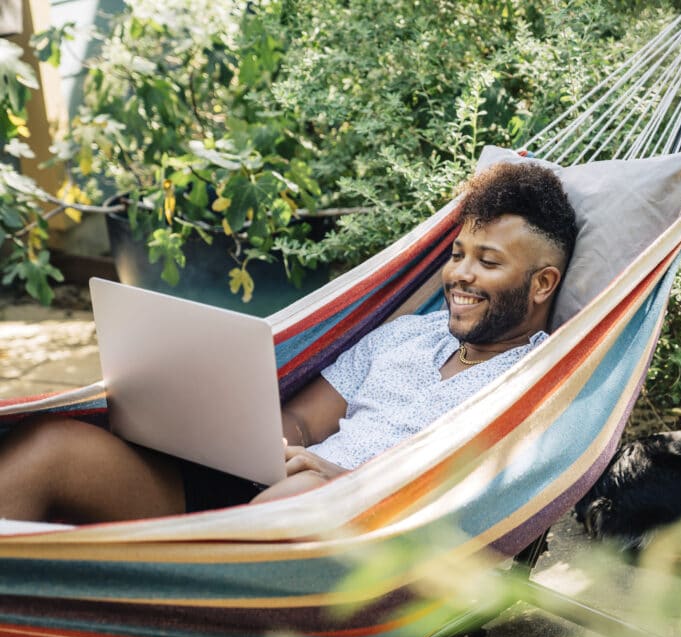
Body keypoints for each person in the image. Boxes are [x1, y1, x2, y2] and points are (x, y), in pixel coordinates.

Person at [0, 162, 577, 523]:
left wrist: (336, 478)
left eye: (489, 262)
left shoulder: (538, 381)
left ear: (542, 283)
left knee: (283, 506)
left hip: (353, 529)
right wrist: (251, 440)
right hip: (268, 492)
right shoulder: (405, 335)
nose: (460, 276)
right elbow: (301, 423)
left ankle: (105, 593)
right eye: (457, 255)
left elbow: (468, 495)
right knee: (50, 448)